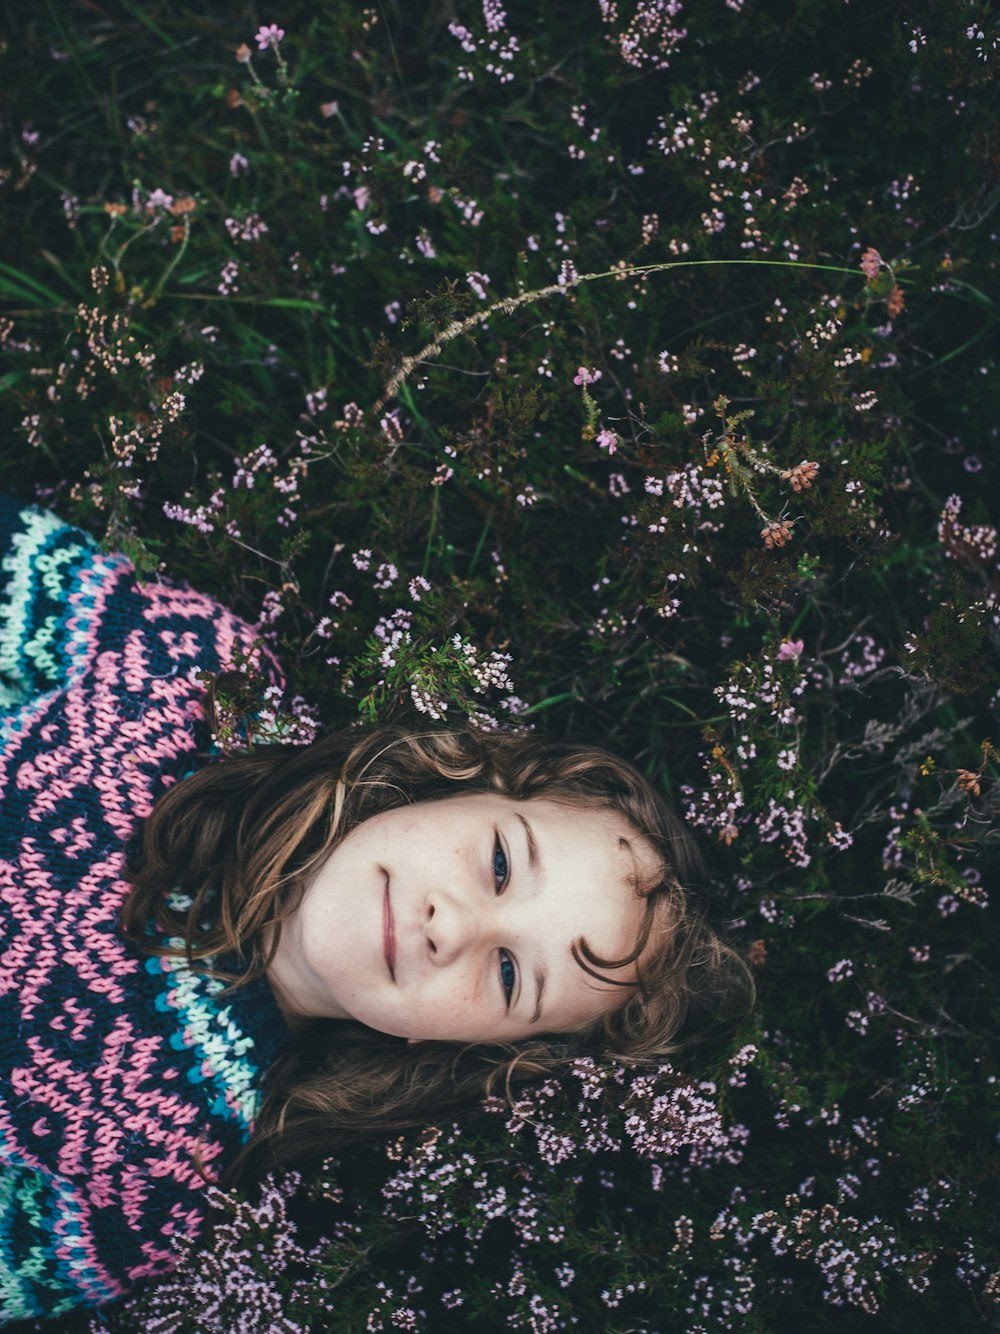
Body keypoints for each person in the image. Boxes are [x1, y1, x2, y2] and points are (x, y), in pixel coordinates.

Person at [0, 494, 754, 1325]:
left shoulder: (158, 1177)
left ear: (462, 1050)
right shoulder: (197, 677)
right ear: (463, 779)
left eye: (509, 975)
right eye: (500, 863)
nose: (454, 926)